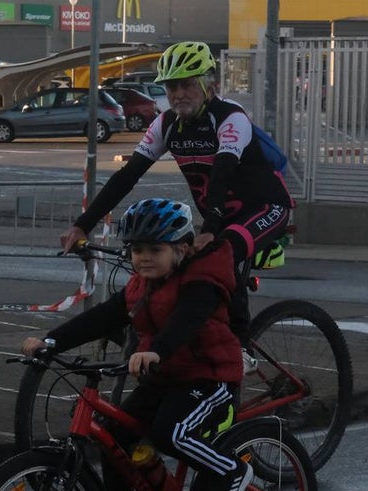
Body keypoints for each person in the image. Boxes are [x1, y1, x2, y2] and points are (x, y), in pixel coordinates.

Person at [23, 198, 253, 491]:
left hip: (211, 379)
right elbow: (104, 316)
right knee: (115, 437)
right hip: (167, 380)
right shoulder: (141, 286)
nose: (143, 258)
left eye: (154, 249)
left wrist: (155, 350)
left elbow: (186, 321)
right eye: (136, 250)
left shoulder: (203, 281)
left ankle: (231, 471)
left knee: (170, 433)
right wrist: (50, 341)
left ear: (183, 248)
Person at [59, 40, 294, 368]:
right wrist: (83, 223)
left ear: (208, 84)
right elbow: (128, 176)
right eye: (171, 87)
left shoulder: (230, 118)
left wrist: (210, 230)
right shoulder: (166, 124)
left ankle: (240, 351)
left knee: (219, 255)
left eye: (187, 84)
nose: (179, 94)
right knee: (176, 267)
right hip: (220, 215)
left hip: (266, 208)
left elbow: (222, 175)